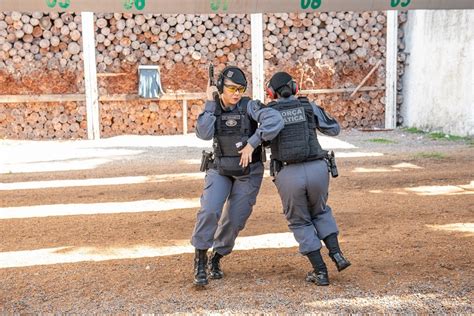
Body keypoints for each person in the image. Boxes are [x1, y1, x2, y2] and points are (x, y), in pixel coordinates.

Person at [191, 66, 284, 286]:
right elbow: (203, 133)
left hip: (248, 172)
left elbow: (275, 121)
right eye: (232, 88)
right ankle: (200, 259)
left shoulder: (249, 105)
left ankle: (217, 257)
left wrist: (253, 143)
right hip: (220, 169)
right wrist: (210, 102)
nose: (236, 93)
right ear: (220, 87)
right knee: (210, 209)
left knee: (234, 219)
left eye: (240, 89)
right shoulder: (214, 107)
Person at [266, 71, 351, 286]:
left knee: (300, 221)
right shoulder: (307, 107)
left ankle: (320, 272)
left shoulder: (270, 112)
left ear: (271, 93)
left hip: (288, 173)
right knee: (320, 211)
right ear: (295, 88)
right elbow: (334, 129)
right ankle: (337, 254)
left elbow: (262, 140)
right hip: (317, 169)